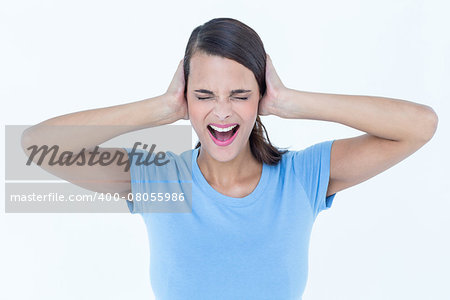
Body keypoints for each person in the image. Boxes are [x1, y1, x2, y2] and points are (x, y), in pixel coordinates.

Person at [21, 17, 438, 300]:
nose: (222, 113)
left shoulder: (302, 177)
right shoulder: (157, 179)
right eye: (203, 96)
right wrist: (163, 107)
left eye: (240, 95)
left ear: (261, 96)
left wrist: (292, 102)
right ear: (188, 97)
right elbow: (38, 146)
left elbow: (420, 125)